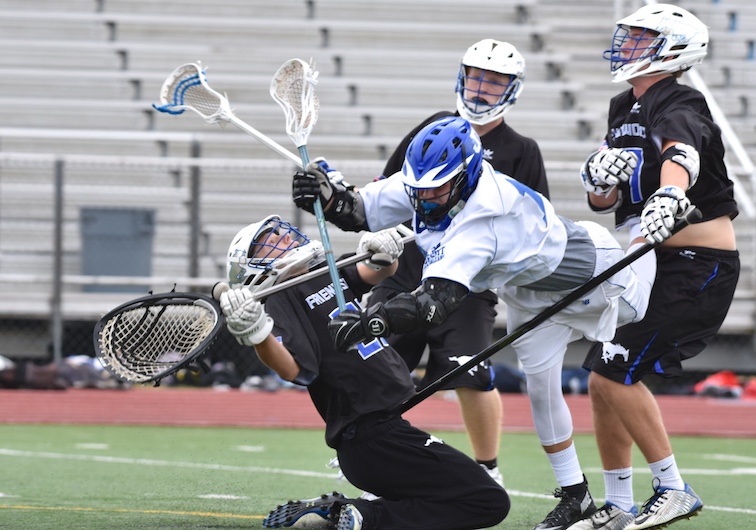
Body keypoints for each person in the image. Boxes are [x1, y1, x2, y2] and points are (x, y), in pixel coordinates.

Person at [291, 116, 663, 530]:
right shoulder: (431, 183)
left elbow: (432, 304)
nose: (424, 199)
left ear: (465, 176)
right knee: (541, 390)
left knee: (640, 300)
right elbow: (359, 210)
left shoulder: (483, 218)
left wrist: (370, 321)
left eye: (436, 188)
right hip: (528, 293)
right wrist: (326, 195)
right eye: (418, 188)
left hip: (592, 274)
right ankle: (577, 496)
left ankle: (645, 225)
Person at [214, 215, 509, 530]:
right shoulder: (278, 300)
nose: (286, 238)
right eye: (272, 241)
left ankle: (349, 513)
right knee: (488, 501)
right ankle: (364, 515)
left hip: (383, 432)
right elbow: (293, 370)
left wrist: (384, 253)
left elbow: (375, 271)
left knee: (452, 496)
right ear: (253, 266)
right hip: (371, 436)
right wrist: (257, 333)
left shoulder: (322, 273)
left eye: (283, 234)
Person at [569, 5, 741, 530]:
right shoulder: (623, 105)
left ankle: (672, 488)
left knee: (614, 371)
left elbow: (680, 152)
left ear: (674, 49)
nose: (626, 47)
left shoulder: (681, 100)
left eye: (641, 39)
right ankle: (619, 503)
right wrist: (599, 180)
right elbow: (607, 201)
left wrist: (670, 192)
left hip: (696, 262)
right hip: (648, 259)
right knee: (602, 378)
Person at [366, 37, 550, 487]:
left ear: (512, 88)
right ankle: (370, 448)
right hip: (408, 270)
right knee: (376, 366)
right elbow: (386, 189)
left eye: (494, 81)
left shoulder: (521, 149)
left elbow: (533, 223)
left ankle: (488, 467)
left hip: (469, 282)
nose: (481, 88)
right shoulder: (433, 128)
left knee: (471, 374)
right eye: (476, 77)